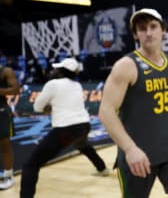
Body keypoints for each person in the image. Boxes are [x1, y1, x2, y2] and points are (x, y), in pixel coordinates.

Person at [98, 8, 168, 198]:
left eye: (153, 26)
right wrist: (130, 149)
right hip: (138, 155)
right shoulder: (126, 66)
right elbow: (106, 111)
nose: (148, 33)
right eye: (142, 29)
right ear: (135, 34)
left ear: (163, 30)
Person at [20, 57, 110, 198]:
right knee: (82, 145)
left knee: (31, 165)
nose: (53, 70)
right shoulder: (77, 85)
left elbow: (37, 107)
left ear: (61, 72)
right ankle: (102, 168)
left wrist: (49, 108)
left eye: (57, 68)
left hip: (65, 129)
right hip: (84, 125)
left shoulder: (53, 84)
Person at [0, 56, 20, 190]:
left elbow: (15, 89)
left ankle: (8, 175)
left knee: (4, 143)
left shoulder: (5, 71)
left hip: (1, 110)